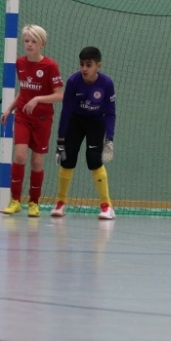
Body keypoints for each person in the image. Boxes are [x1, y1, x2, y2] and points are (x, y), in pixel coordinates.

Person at [0, 24, 63, 217]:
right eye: (26, 40)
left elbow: (59, 95)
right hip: (23, 117)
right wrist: (10, 109)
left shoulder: (50, 66)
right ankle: (15, 200)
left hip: (42, 119)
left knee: (37, 162)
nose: (29, 44)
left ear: (42, 44)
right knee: (19, 156)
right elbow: (24, 90)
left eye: (33, 41)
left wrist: (38, 99)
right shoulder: (20, 63)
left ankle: (34, 202)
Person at [52, 46, 116, 220]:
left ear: (98, 66)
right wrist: (60, 140)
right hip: (76, 121)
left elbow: (110, 113)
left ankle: (107, 206)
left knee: (94, 160)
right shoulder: (73, 81)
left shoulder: (106, 84)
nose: (84, 69)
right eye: (81, 64)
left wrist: (109, 139)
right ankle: (60, 203)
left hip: (96, 122)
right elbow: (66, 110)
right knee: (67, 159)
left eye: (89, 65)